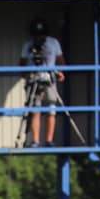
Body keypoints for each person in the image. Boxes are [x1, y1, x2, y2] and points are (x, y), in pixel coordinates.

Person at [19, 17, 66, 148]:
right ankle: (35, 140)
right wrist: (26, 75)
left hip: (49, 79)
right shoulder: (28, 45)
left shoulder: (53, 43)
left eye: (41, 35)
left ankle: (49, 140)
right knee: (35, 110)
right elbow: (21, 64)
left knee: (52, 108)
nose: (39, 38)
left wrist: (60, 72)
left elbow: (61, 60)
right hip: (33, 79)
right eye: (37, 35)